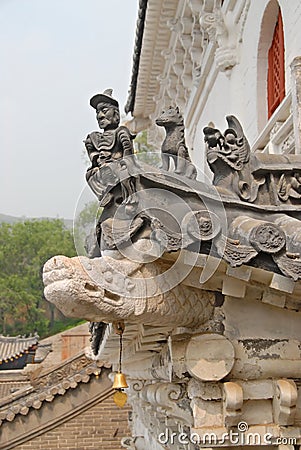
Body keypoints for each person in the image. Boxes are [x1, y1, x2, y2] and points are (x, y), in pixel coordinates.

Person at [84, 89, 137, 206]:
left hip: (118, 166)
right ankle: (104, 195)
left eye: (104, 110)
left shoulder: (121, 132)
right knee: (89, 174)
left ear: (115, 113)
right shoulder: (94, 137)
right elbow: (92, 152)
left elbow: (128, 154)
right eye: (97, 112)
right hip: (103, 167)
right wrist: (96, 158)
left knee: (124, 171)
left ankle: (130, 197)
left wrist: (120, 159)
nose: (100, 116)